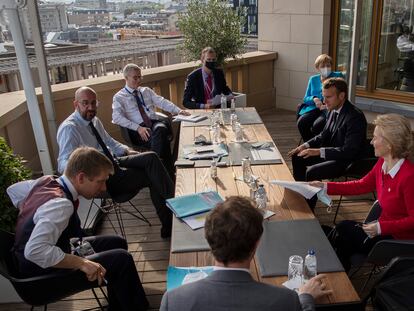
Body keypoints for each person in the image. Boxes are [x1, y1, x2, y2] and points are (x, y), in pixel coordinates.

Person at [7, 147, 149, 311]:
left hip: (31, 263)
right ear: (81, 177)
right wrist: (81, 263)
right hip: (39, 279)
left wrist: (31, 213)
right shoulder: (60, 204)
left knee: (117, 242)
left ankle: (119, 306)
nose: (104, 188)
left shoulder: (46, 181)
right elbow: (35, 251)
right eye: (100, 181)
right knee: (122, 260)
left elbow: (13, 191)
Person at [160, 196, 332, 311]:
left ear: (208, 239)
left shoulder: (173, 301)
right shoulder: (286, 300)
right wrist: (306, 298)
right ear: (257, 243)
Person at [57, 86, 174, 238]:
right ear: (76, 104)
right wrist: (88, 170)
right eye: (85, 103)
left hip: (114, 161)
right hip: (104, 178)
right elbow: (62, 165)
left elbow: (109, 142)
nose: (90, 107)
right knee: (152, 175)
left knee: (151, 157)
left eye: (93, 103)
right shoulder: (70, 129)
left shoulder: (94, 120)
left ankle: (175, 205)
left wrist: (127, 150)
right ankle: (171, 221)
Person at [310, 114, 414, 271]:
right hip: (379, 230)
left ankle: (331, 274)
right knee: (340, 239)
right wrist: (325, 186)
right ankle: (336, 276)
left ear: (390, 144)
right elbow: (361, 185)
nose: (371, 142)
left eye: (375, 137)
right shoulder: (383, 163)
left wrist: (381, 227)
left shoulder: (409, 177)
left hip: (396, 241)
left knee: (341, 231)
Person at [288, 78, 367, 211]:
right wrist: (305, 146)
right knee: (298, 157)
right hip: (332, 154)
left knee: (312, 172)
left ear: (342, 96)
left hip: (347, 160)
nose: (324, 101)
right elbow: (323, 135)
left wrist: (318, 151)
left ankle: (308, 209)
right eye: (324, 97)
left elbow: (349, 151)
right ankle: (303, 195)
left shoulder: (355, 117)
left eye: (328, 97)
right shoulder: (332, 109)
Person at [112, 64, 191, 176]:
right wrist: (138, 128)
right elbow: (116, 117)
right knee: (162, 134)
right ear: (126, 78)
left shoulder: (146, 91)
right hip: (138, 130)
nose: (139, 80)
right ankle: (167, 170)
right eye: (135, 77)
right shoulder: (119, 97)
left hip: (154, 124)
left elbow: (161, 101)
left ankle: (158, 171)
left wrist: (178, 110)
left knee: (160, 129)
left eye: (140, 77)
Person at [297, 54, 344, 142]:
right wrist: (314, 99)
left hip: (329, 109)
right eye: (323, 66)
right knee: (302, 122)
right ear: (317, 68)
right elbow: (306, 98)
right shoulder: (313, 79)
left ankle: (317, 147)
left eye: (328, 65)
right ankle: (309, 145)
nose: (326, 68)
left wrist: (327, 105)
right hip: (315, 108)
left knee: (317, 126)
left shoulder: (338, 76)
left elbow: (341, 95)